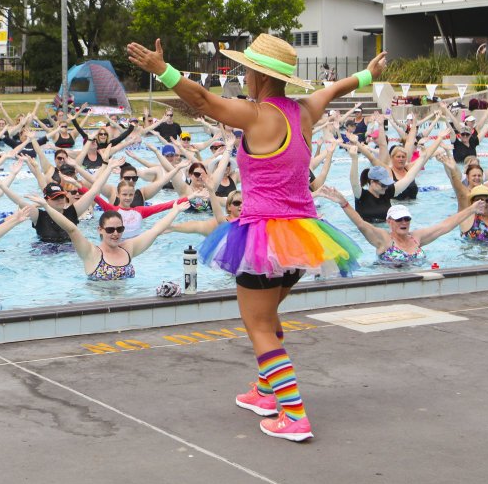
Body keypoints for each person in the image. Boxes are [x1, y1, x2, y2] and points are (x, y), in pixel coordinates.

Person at [129, 32, 382, 442]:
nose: (243, 75)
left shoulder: (256, 114)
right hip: (304, 238)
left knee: (258, 324)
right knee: (268, 317)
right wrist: (367, 77)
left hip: (264, 236)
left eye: (246, 69)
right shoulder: (305, 111)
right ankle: (267, 392)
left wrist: (165, 70)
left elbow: (203, 102)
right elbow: (336, 88)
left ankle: (294, 415)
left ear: (257, 75)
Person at [317, 189, 477, 268]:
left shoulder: (416, 237)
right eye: (399, 219)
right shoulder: (384, 240)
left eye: (406, 218)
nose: (403, 222)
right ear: (389, 222)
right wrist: (344, 203)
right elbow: (361, 224)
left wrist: (471, 209)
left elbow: (445, 226)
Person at [36, 200, 189, 280]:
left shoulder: (128, 248)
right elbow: (72, 229)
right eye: (110, 230)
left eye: (120, 229)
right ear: (100, 230)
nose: (115, 233)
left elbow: (155, 230)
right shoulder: (91, 253)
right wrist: (47, 208)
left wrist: (175, 211)